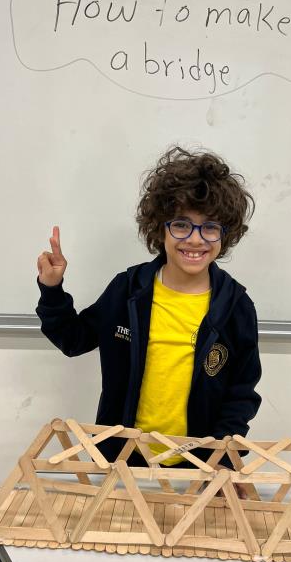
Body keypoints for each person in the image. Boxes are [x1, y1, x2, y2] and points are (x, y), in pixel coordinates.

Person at [35, 146, 262, 467]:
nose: (195, 239)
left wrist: (222, 461)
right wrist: (52, 289)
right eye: (181, 224)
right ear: (160, 227)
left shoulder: (236, 306)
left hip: (199, 467)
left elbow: (242, 394)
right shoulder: (128, 290)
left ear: (226, 234)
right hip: (125, 460)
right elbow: (73, 339)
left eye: (210, 227)